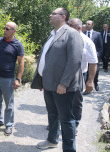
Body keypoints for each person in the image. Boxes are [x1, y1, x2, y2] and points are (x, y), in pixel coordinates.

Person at [31, 8, 83, 152]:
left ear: (63, 17)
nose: (50, 15)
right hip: (49, 84)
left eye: (53, 13)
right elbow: (46, 58)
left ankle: (69, 149)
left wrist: (64, 83)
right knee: (52, 114)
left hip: (62, 87)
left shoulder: (72, 34)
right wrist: (41, 80)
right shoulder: (52, 34)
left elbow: (74, 60)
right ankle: (52, 140)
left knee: (66, 119)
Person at [68, 18, 98, 135]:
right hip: (63, 74)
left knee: (76, 100)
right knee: (61, 100)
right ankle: (59, 122)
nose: (68, 27)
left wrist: (90, 81)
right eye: (68, 24)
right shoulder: (63, 38)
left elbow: (93, 62)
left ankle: (75, 123)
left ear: (79, 28)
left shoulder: (87, 42)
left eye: (71, 25)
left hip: (79, 74)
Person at [84, 20, 103, 92]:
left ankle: (96, 82)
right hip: (86, 57)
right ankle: (87, 88)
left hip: (94, 57)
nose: (87, 25)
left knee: (96, 71)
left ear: (92, 25)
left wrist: (98, 55)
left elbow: (100, 47)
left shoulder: (97, 34)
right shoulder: (83, 33)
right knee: (87, 71)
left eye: (89, 24)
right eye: (86, 24)